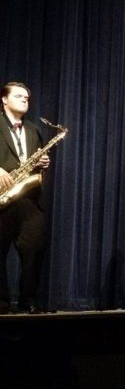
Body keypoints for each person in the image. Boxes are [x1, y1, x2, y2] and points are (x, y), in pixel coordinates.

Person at [0, 82, 50, 314]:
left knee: (35, 248)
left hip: (29, 197)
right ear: (4, 99)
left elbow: (35, 163)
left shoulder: (33, 129)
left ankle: (28, 300)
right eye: (19, 96)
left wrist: (42, 164)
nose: (25, 100)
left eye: (27, 98)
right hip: (2, 198)